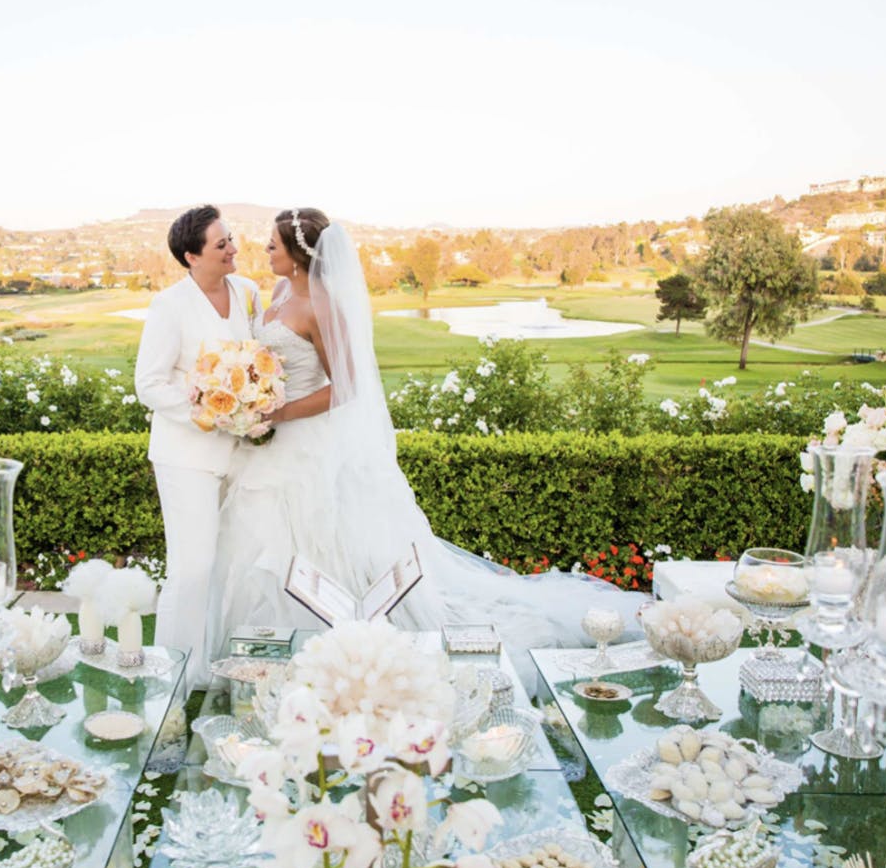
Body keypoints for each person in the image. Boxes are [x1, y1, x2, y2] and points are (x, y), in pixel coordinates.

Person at [206, 208, 646, 687]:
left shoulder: (322, 306)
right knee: (258, 541)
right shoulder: (278, 290)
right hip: (268, 442)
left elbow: (348, 386)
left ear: (297, 254)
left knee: (313, 543)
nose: (265, 251)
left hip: (305, 442)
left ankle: (331, 654)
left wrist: (281, 412)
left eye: (272, 244)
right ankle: (259, 654)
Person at [135, 205, 261, 690]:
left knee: (225, 565)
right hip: (185, 455)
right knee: (192, 567)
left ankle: (210, 668)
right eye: (221, 244)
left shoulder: (248, 292)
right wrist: (207, 411)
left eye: (231, 240)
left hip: (243, 453)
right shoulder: (170, 305)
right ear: (192, 256)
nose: (233, 249)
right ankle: (172, 678)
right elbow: (148, 383)